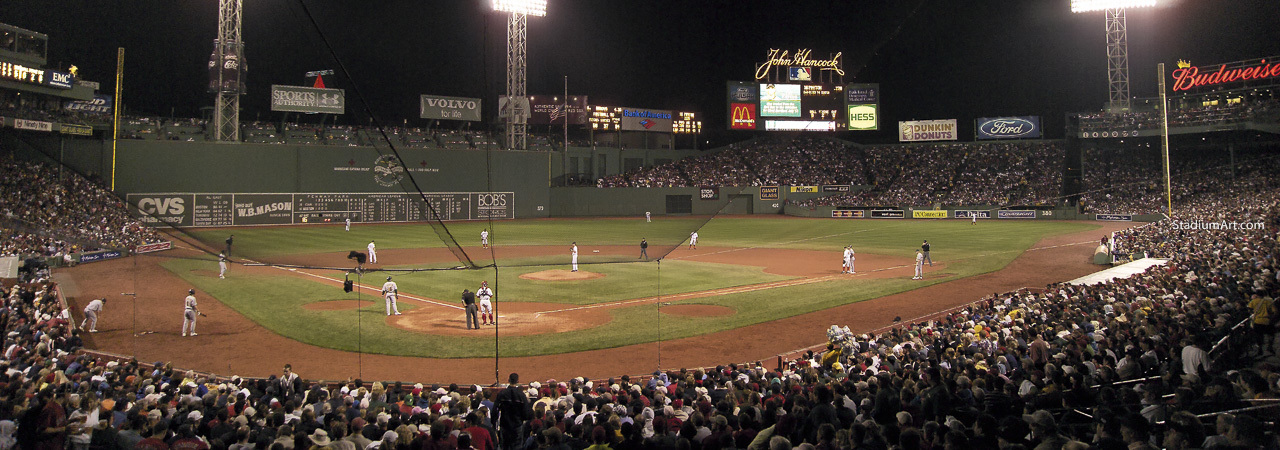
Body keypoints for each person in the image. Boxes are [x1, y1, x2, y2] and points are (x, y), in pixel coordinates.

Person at [494, 373, 530, 450]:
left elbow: (495, 410)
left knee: (505, 446)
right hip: (517, 425)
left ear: (508, 380)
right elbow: (526, 412)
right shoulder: (521, 395)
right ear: (517, 381)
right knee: (517, 447)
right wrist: (521, 420)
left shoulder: (502, 394)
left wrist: (494, 424)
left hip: (505, 425)